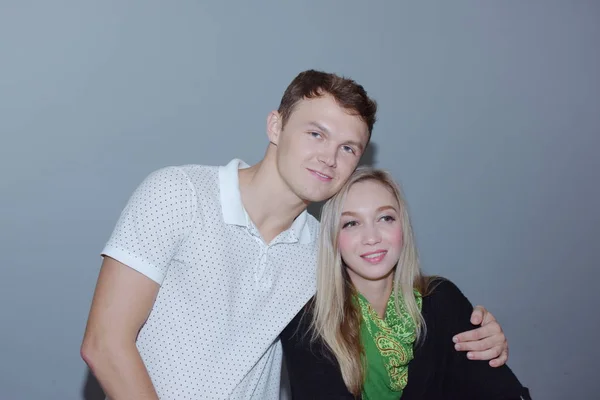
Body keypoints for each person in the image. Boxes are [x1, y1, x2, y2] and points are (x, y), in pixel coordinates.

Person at [81, 70, 510, 400]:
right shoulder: (178, 193)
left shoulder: (322, 252)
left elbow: (394, 308)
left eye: (348, 148)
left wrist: (483, 331)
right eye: (316, 134)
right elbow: (104, 344)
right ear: (275, 126)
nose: (329, 157)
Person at [281, 167, 531, 399]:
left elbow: (500, 389)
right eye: (352, 223)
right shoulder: (308, 324)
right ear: (333, 239)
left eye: (385, 218)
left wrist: (493, 347)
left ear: (403, 226)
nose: (372, 237)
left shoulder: (442, 300)